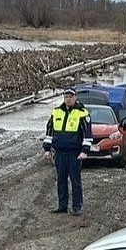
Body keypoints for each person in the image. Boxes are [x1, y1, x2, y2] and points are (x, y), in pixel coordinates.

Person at [43, 88, 92, 216]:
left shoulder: (82, 113)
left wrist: (84, 151)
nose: (68, 99)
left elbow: (87, 134)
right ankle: (62, 206)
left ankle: (77, 207)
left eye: (71, 96)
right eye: (66, 97)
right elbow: (49, 130)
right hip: (59, 153)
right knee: (61, 180)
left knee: (75, 181)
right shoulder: (56, 112)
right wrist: (47, 149)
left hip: (74, 153)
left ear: (75, 98)